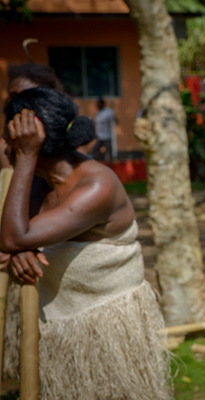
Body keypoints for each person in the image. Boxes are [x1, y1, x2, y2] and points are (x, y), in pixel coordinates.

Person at [1, 87, 170, 399]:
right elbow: (13, 239)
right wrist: (16, 252)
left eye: (8, 136)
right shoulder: (41, 183)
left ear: (31, 140)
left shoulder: (96, 186)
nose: (2, 145)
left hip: (103, 331)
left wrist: (24, 159)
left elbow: (13, 236)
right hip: (58, 330)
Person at [6, 63, 96, 155]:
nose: (16, 103)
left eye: (27, 96)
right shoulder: (5, 147)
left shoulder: (69, 154)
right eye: (13, 96)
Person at [92, 97, 116, 162]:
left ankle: (110, 165)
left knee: (108, 153)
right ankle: (98, 163)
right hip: (99, 137)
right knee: (94, 152)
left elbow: (115, 120)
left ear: (102, 104)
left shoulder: (108, 112)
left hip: (107, 136)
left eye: (99, 104)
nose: (97, 105)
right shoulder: (98, 113)